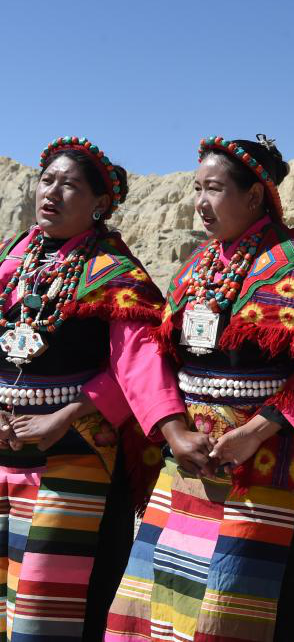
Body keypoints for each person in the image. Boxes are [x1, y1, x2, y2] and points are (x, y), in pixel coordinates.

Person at [106, 135, 294, 641]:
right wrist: (173, 430)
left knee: (240, 608)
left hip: (264, 466)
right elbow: (159, 354)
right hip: (190, 459)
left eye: (214, 189)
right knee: (167, 601)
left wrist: (257, 431)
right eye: (197, 188)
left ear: (255, 195)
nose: (200, 202)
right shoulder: (197, 268)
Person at [0, 136, 164, 640]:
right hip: (4, 444)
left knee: (52, 593)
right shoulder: (13, 260)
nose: (51, 192)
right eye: (47, 180)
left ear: (99, 203)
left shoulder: (117, 274)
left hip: (75, 446)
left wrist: (65, 415)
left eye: (69, 185)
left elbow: (138, 367)